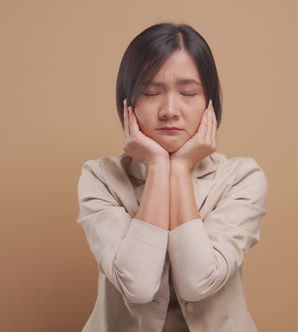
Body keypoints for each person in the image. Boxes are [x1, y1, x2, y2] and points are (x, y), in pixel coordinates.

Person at [77, 22, 268, 332]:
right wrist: (157, 165)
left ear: (209, 104)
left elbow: (198, 281)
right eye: (151, 93)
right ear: (128, 104)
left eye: (188, 93)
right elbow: (137, 285)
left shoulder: (242, 178)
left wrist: (179, 168)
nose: (169, 110)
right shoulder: (100, 178)